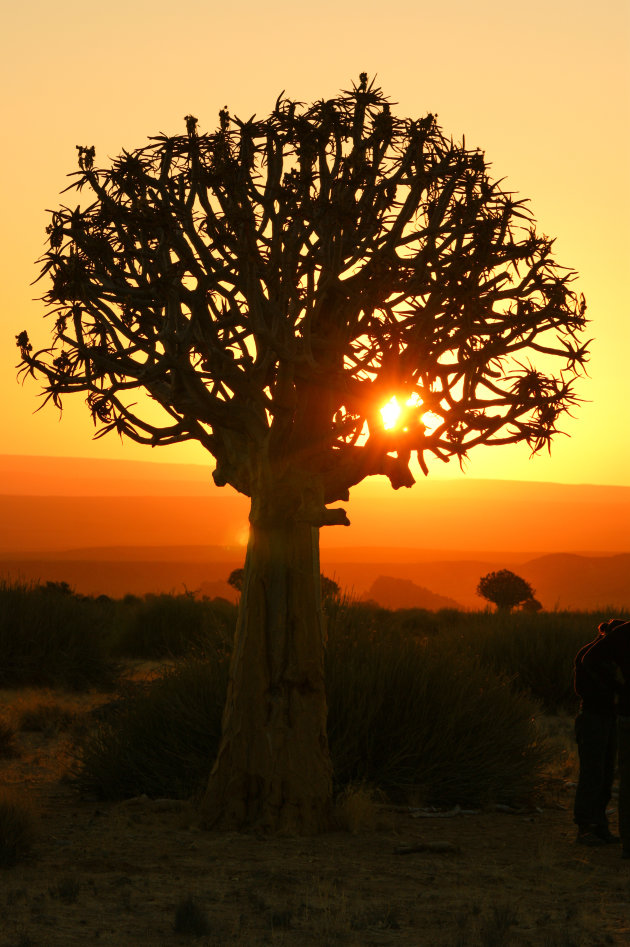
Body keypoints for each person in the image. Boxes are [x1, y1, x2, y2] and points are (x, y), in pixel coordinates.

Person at [573, 619, 626, 845]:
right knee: (592, 773)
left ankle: (599, 825)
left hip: (606, 718)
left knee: (604, 774)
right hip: (593, 717)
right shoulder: (590, 656)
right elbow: (583, 689)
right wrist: (616, 689)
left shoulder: (601, 656)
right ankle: (586, 827)